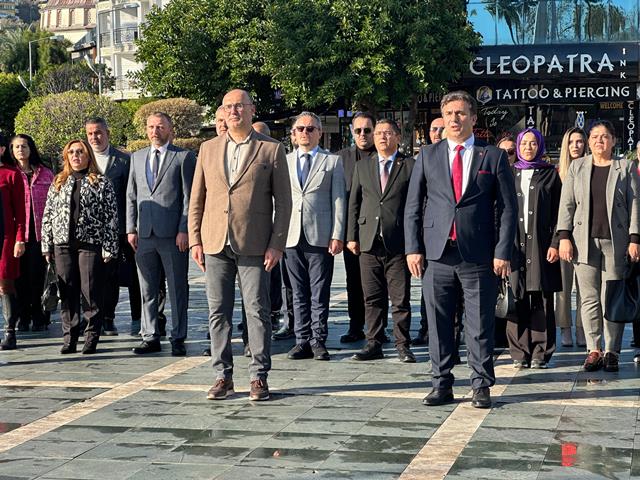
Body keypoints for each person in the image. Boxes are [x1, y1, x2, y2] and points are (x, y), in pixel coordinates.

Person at [405, 91, 517, 409]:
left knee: (479, 324)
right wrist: (413, 248)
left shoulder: (492, 156)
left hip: (478, 255)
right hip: (437, 254)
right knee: (438, 323)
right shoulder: (428, 155)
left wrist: (502, 251)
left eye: (461, 113)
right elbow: (413, 206)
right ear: (442, 118)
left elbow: (508, 208)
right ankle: (441, 384)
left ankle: (481, 384)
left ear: (473, 118)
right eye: (449, 113)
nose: (454, 119)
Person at [188, 89, 292, 401]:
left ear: (251, 109)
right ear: (222, 112)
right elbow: (197, 199)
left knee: (257, 310)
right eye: (228, 107)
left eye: (240, 106)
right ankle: (222, 375)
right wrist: (195, 239)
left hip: (255, 243)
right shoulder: (208, 148)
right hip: (215, 241)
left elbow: (284, 203)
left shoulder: (271, 149)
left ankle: (258, 376)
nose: (234, 111)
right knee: (217, 310)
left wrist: (277, 244)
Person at [558, 120, 640, 373]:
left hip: (616, 242)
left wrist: (635, 238)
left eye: (604, 137)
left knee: (612, 297)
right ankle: (593, 349)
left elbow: (635, 204)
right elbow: (567, 203)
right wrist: (564, 236)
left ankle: (612, 350)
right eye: (594, 137)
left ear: (613, 140)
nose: (599, 141)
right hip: (583, 241)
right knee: (589, 299)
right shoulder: (578, 167)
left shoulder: (625, 167)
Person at [126, 112, 196, 356]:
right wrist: (131, 228)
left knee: (177, 288)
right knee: (147, 288)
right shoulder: (137, 157)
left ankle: (178, 336)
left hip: (172, 235)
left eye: (160, 127)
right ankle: (150, 336)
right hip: (144, 234)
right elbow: (131, 195)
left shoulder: (183, 157)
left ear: (170, 129)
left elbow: (189, 198)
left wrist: (184, 229)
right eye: (151, 127)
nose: (155, 131)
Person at [41, 139, 118, 354]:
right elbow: (48, 214)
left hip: (90, 244)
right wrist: (46, 245)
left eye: (80, 152)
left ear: (88, 156)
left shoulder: (101, 182)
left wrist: (109, 246)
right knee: (67, 291)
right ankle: (69, 337)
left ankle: (91, 336)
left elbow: (111, 216)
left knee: (91, 292)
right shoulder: (59, 181)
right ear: (66, 156)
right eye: (72, 152)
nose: (76, 156)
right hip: (62, 244)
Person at [347, 119, 415, 362]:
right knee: (372, 297)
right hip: (368, 241)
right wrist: (351, 236)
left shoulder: (409, 165)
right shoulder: (363, 166)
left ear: (398, 137)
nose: (382, 137)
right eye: (378, 133)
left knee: (400, 299)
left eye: (387, 133)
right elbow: (354, 203)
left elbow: (416, 203)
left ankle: (402, 345)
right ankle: (373, 343)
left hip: (398, 241)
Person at [284, 112, 345, 362]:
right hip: (290, 236)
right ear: (293, 134)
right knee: (297, 292)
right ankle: (301, 340)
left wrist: (337, 234)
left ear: (320, 133)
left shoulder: (332, 161)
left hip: (320, 235)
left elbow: (338, 200)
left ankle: (318, 339)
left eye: (310, 129)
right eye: (300, 129)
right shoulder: (284, 161)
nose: (305, 133)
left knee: (319, 291)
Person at [507, 128, 562, 369]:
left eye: (533, 143)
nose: (528, 148)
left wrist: (555, 243)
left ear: (540, 146)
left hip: (541, 244)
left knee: (541, 297)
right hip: (514, 244)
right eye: (524, 144)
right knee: (516, 294)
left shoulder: (550, 174)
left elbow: (560, 212)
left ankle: (541, 351)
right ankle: (520, 352)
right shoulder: (509, 173)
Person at [85, 117, 140, 337]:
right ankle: (100, 317)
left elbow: (131, 195)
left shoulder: (124, 160)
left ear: (107, 133)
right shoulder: (82, 158)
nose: (94, 137)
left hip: (120, 228)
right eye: (90, 133)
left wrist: (130, 227)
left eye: (98, 132)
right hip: (92, 230)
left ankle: (125, 317)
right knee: (97, 275)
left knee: (123, 274)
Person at [336, 112, 376, 343]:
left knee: (377, 284)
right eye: (358, 130)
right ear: (352, 132)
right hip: (351, 231)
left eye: (367, 130)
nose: (362, 134)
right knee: (354, 281)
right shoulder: (341, 158)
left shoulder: (382, 155)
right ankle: (356, 325)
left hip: (377, 230)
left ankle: (377, 327)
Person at [11, 134, 53, 332]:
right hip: (16, 235)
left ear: (31, 148)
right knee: (19, 278)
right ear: (12, 150)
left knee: (38, 276)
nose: (21, 150)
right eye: (17, 147)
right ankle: (23, 316)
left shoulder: (45, 174)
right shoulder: (10, 173)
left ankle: (39, 314)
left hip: (40, 234)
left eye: (24, 146)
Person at [556, 127, 588, 348]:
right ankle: (565, 327)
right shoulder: (557, 173)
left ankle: (583, 328)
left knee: (586, 288)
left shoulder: (592, 169)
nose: (575, 146)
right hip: (562, 237)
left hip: (586, 235)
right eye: (571, 142)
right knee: (563, 287)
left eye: (579, 141)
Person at [0, 133, 26, 350]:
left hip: (6, 238)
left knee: (5, 283)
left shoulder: (12, 174)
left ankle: (10, 331)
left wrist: (20, 238)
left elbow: (20, 212)